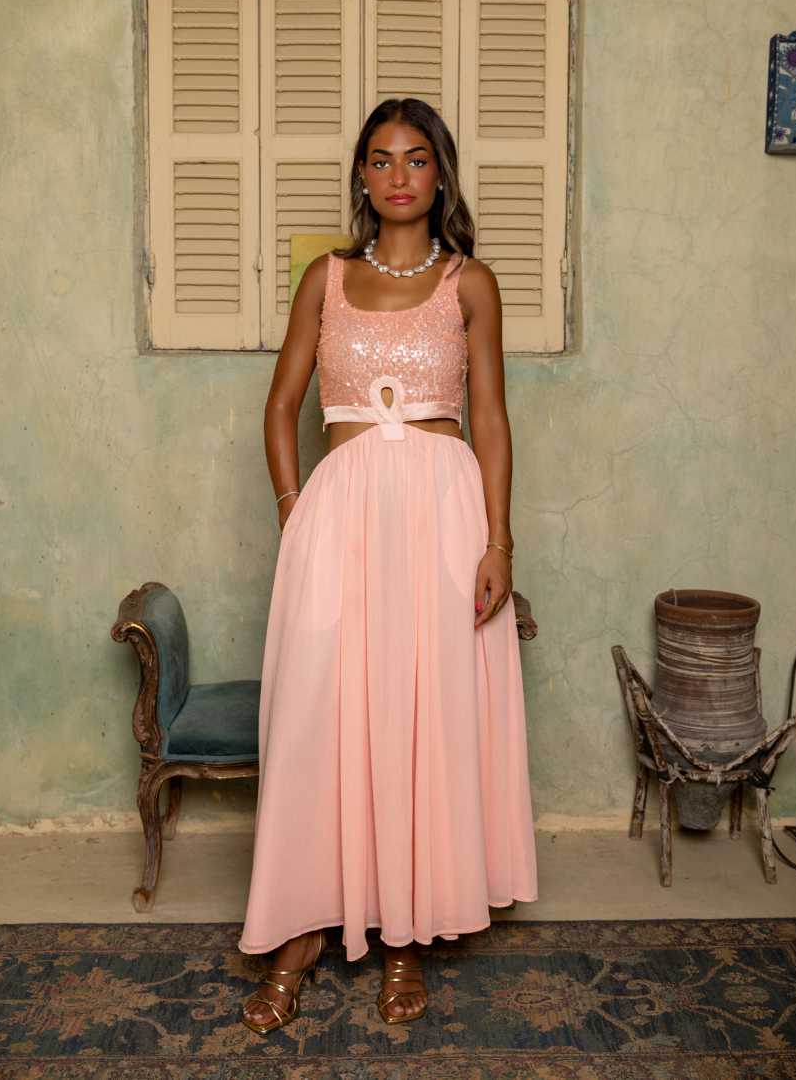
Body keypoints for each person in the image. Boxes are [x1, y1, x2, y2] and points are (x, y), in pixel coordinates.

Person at [238, 97, 538, 1032]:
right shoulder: (323, 278)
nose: (398, 175)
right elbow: (281, 403)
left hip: (443, 514)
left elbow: (488, 419)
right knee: (321, 712)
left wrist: (498, 541)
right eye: (379, 160)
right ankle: (300, 930)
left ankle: (404, 933)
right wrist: (297, 511)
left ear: (439, 174)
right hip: (343, 515)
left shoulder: (470, 282)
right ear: (362, 177)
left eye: (415, 159)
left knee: (419, 713)